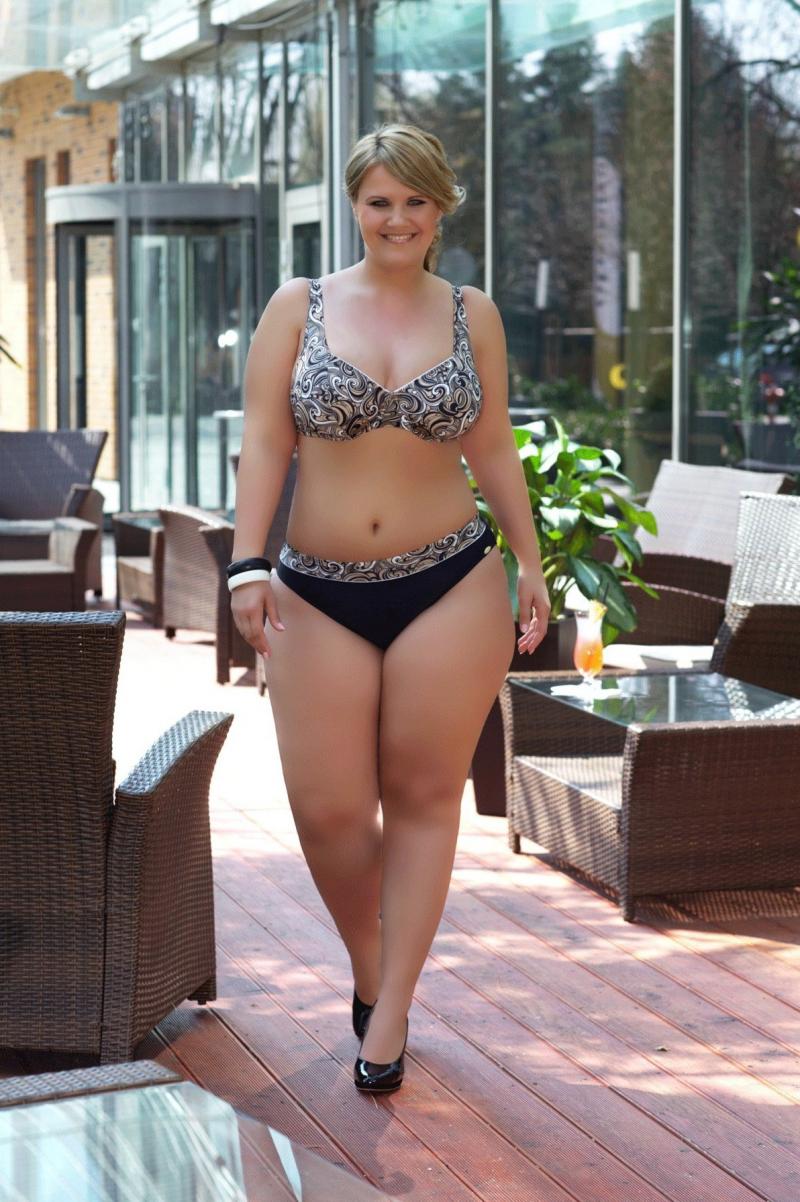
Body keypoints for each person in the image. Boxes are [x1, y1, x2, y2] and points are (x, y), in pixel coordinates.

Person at [229, 123, 550, 1094]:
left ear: (439, 207)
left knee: (422, 796)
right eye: (379, 201)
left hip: (450, 579)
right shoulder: (299, 306)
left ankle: (393, 1009)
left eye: (415, 201)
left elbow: (492, 442)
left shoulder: (470, 312)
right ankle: (370, 972)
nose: (397, 218)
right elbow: (264, 440)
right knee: (328, 810)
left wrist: (529, 560)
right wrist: (246, 564)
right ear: (354, 206)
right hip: (316, 588)